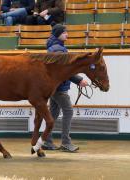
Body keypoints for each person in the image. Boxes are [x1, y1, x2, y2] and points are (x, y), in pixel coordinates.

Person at [42, 24, 88, 152]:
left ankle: (47, 141)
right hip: (60, 88)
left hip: (54, 87)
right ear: (58, 34)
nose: (67, 34)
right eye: (64, 32)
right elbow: (64, 71)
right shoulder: (58, 50)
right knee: (68, 112)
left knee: (53, 115)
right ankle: (66, 143)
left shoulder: (56, 48)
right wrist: (79, 80)